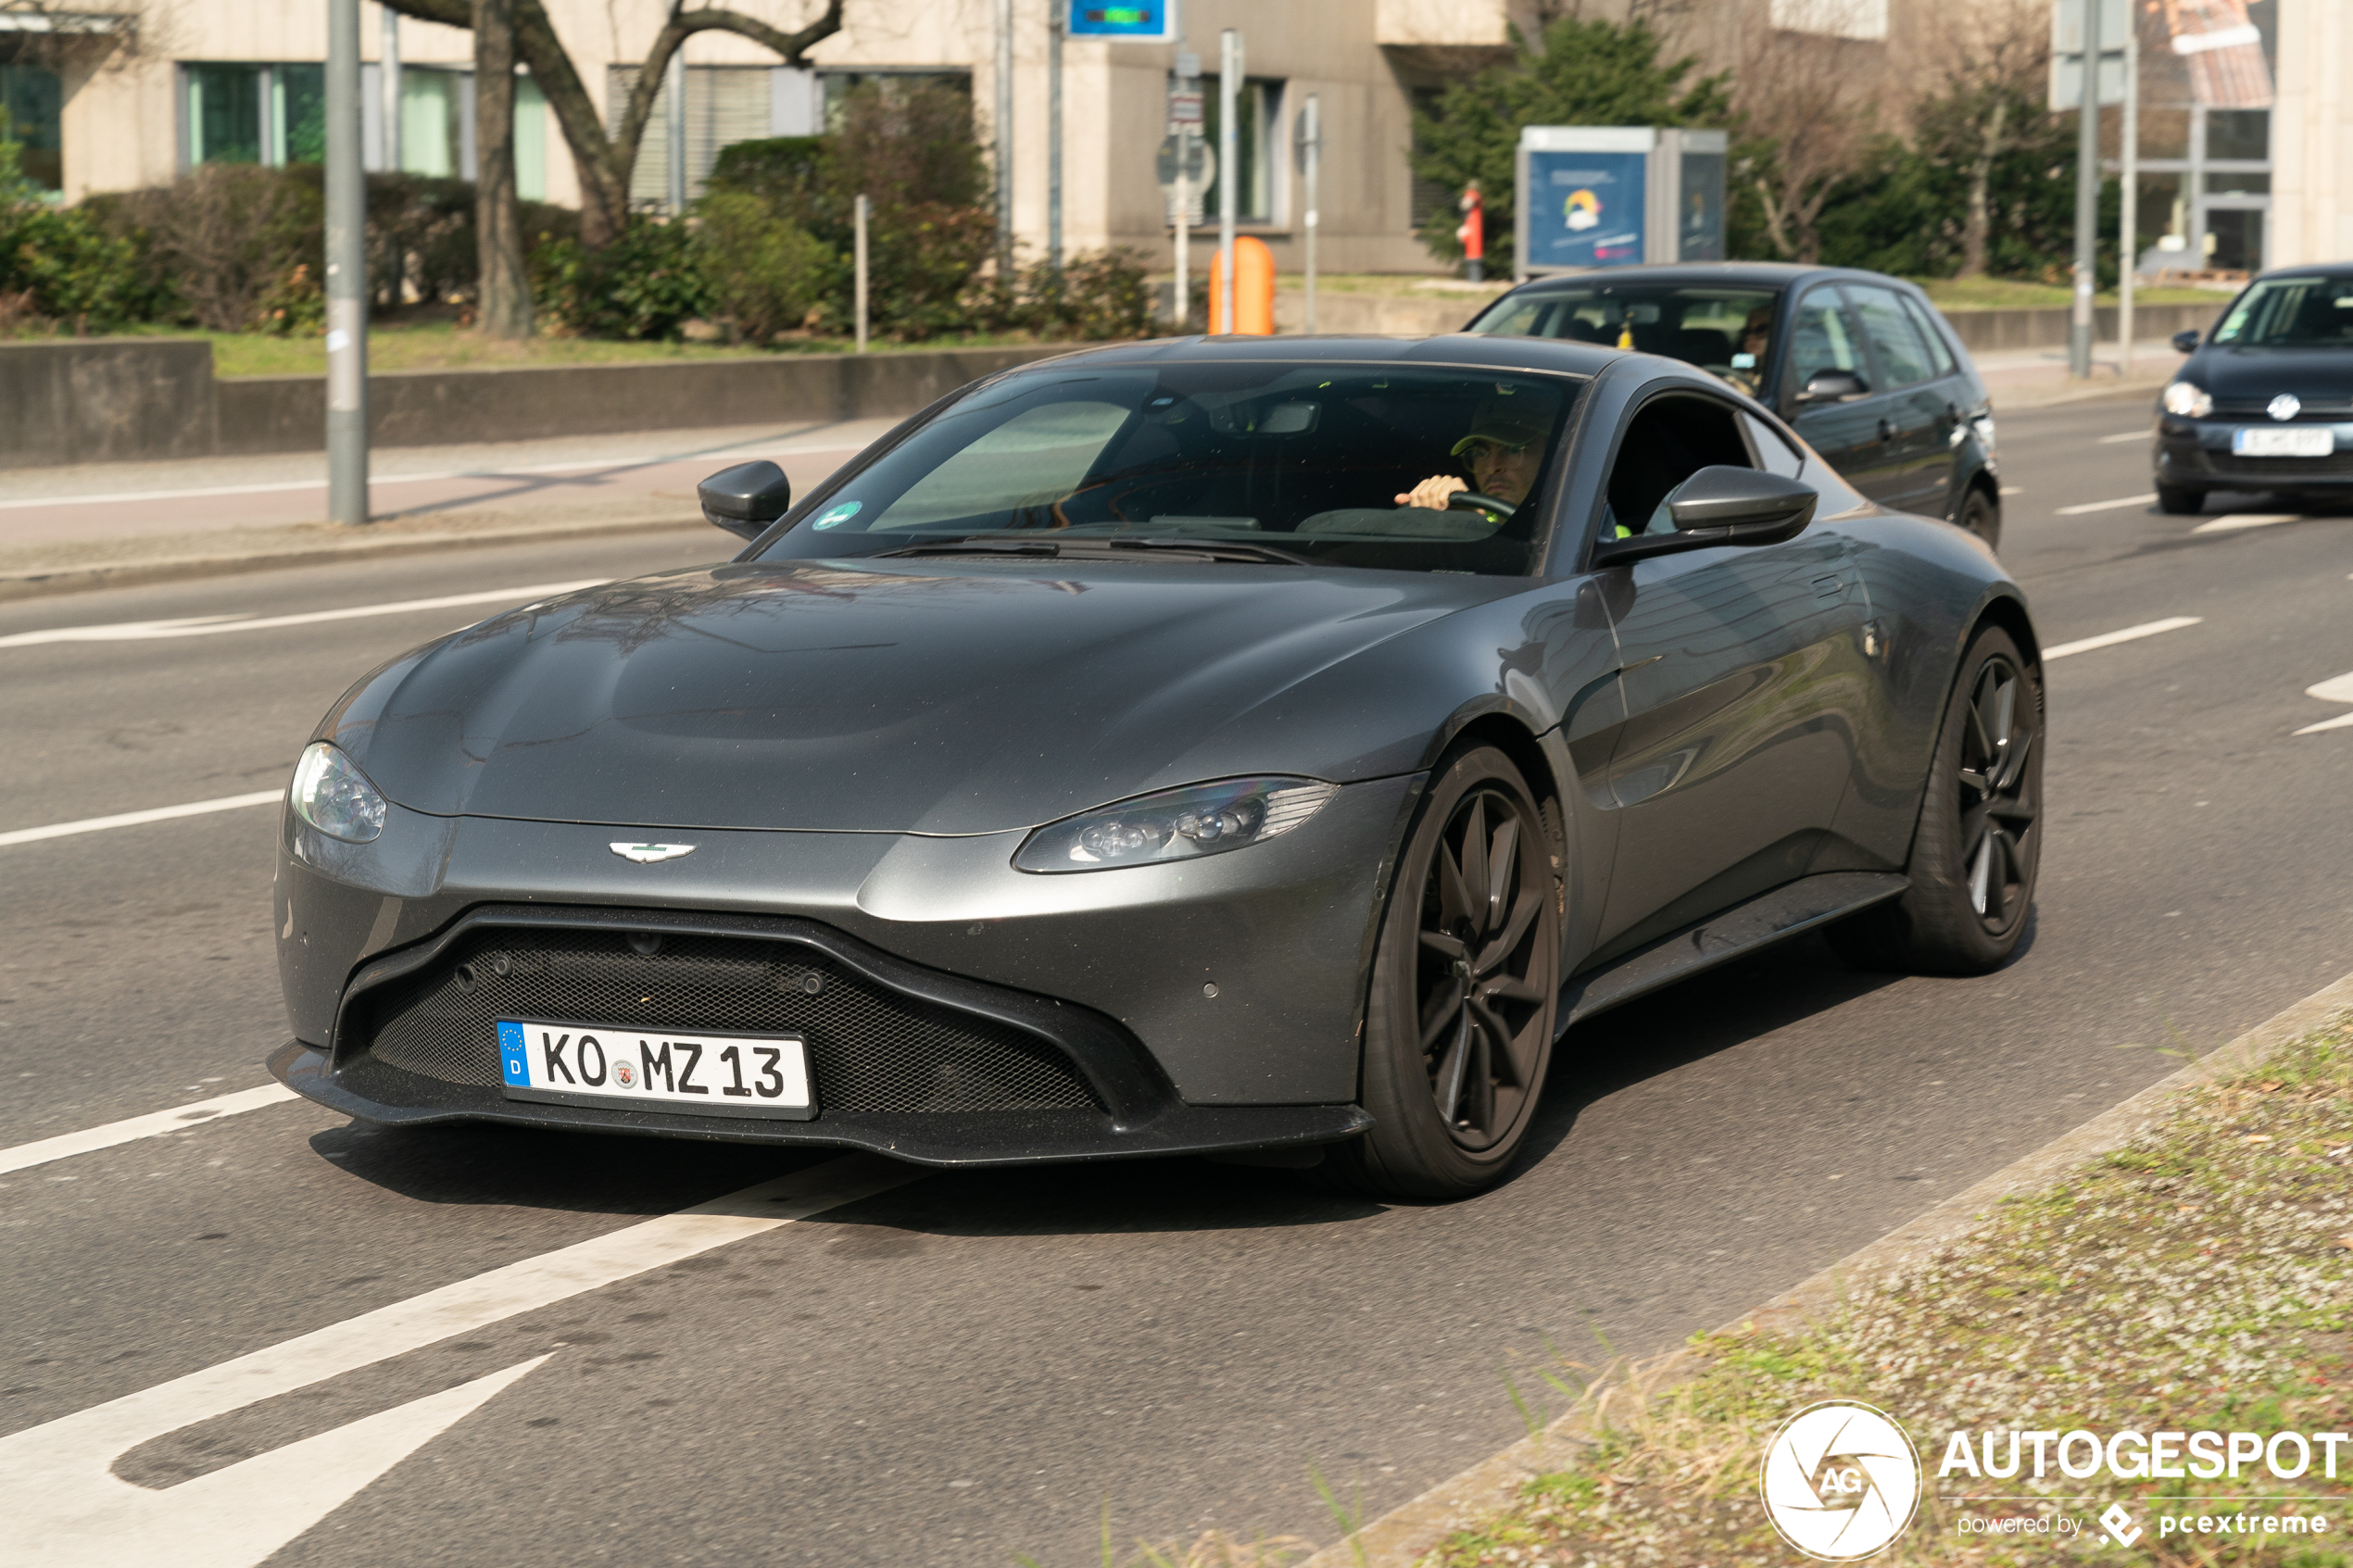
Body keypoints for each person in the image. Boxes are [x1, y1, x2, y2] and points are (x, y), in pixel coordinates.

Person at [1396, 397, 1546, 516]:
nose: (1491, 467)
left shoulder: (1564, 526)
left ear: (1552, 455)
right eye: (1480, 452)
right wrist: (1466, 523)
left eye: (1513, 450)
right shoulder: (1470, 516)